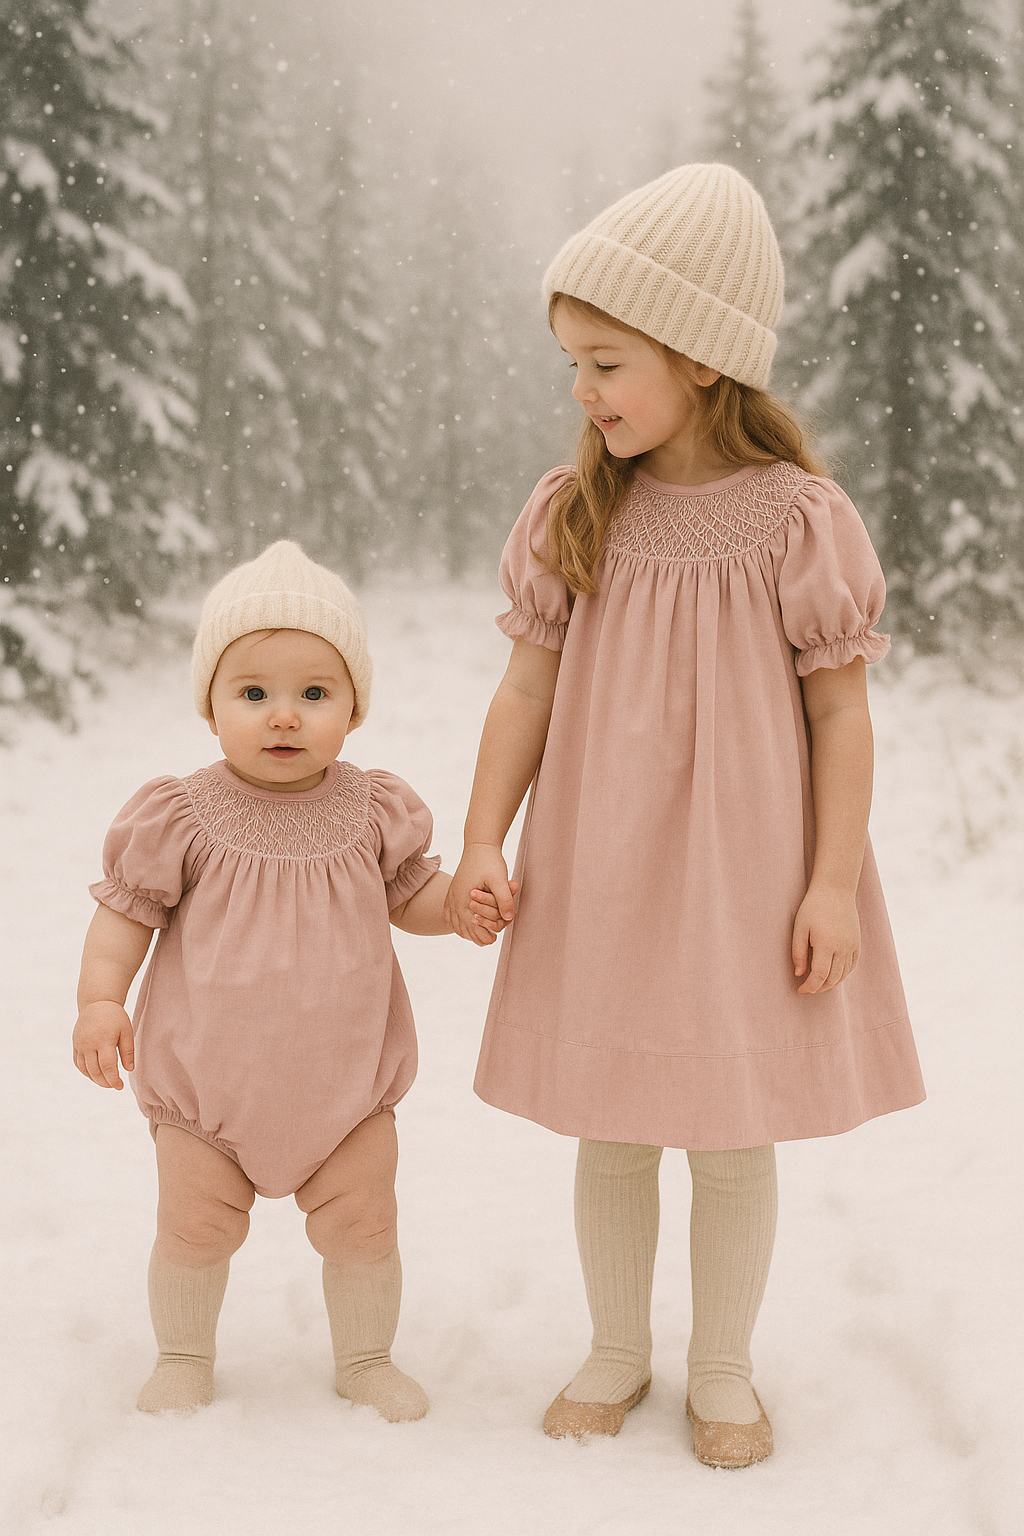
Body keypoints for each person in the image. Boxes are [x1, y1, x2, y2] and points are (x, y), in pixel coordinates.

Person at [446, 163, 925, 1468]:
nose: (586, 395)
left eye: (608, 362)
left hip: (747, 873)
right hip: (604, 859)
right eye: (573, 368)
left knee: (728, 1122)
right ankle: (616, 1349)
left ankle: (723, 1371)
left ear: (704, 360)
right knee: (615, 1112)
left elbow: (840, 717)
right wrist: (485, 834)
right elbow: (525, 691)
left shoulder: (799, 523)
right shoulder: (577, 514)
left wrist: (830, 884)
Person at [72, 541, 505, 1420]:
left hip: (346, 1092)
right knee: (193, 1230)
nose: (283, 717)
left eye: (314, 694)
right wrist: (99, 999)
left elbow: (411, 892)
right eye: (254, 693)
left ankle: (367, 1358)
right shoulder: (181, 815)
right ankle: (184, 1354)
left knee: (365, 1227)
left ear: (352, 709)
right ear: (211, 706)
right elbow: (126, 912)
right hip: (208, 1088)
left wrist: (458, 904)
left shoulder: (373, 809)